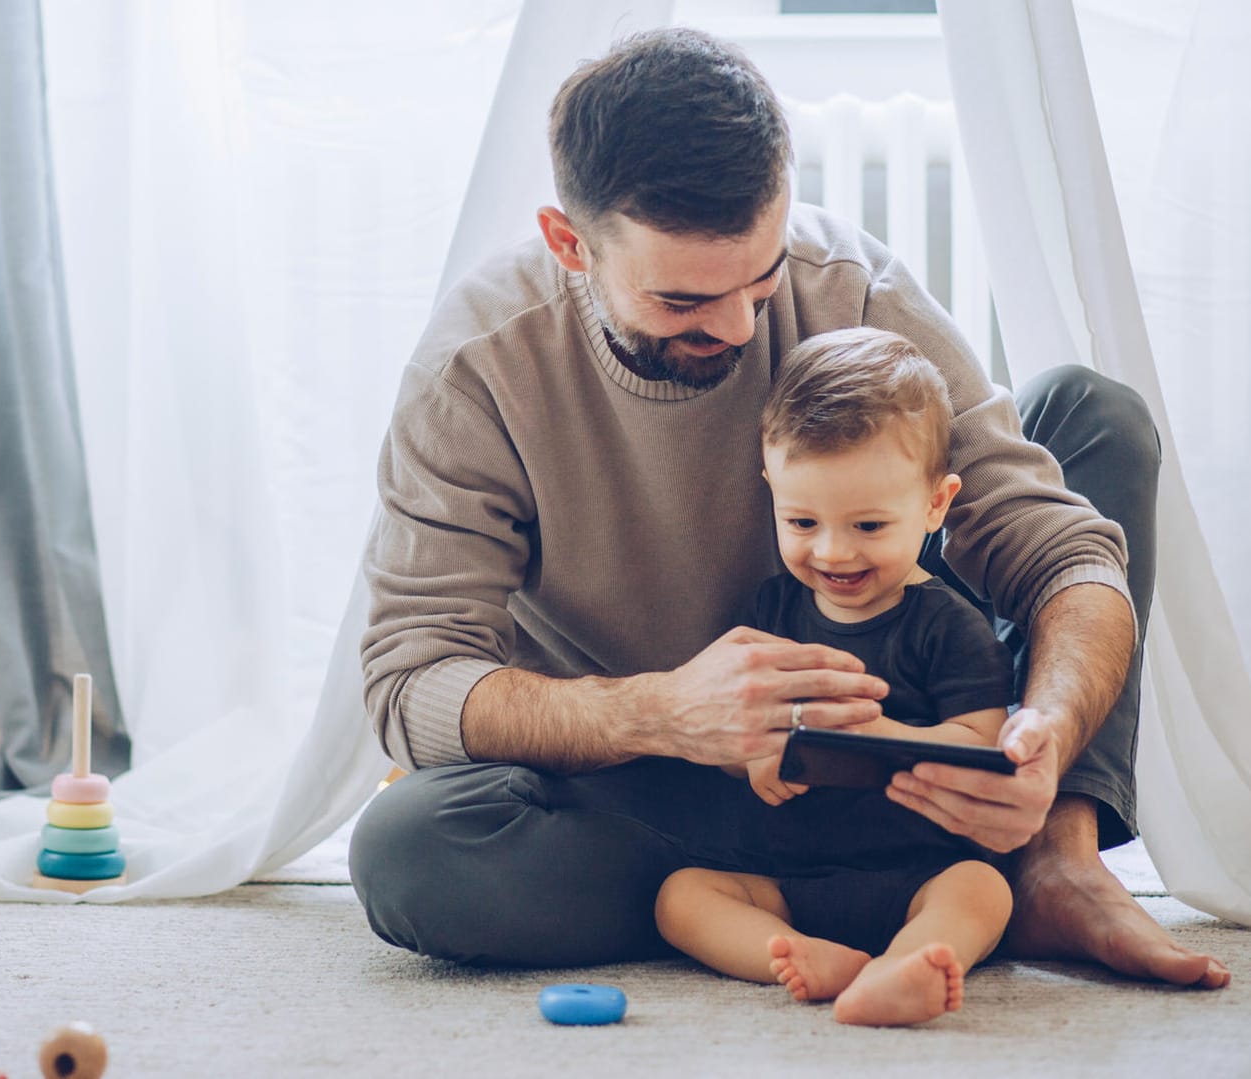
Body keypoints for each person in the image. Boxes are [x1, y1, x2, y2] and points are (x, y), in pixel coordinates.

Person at [350, 28, 1229, 988]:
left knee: (1094, 415)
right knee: (409, 851)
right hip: (668, 793)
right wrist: (663, 711)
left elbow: (1061, 555)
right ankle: (818, 897)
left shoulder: (852, 289)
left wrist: (1045, 735)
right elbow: (412, 678)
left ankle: (1052, 857)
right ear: (571, 244)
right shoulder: (477, 369)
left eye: (761, 280)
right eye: (684, 300)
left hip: (908, 769)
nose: (738, 326)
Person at [655, 327, 1017, 1026]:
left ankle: (909, 962)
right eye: (802, 520)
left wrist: (884, 737)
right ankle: (806, 956)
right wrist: (752, 757)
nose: (832, 550)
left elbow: (985, 748)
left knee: (984, 892)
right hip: (791, 878)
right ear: (771, 490)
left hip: (921, 870)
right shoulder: (772, 610)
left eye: (870, 525)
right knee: (681, 895)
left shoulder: (947, 624)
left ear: (936, 505)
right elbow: (735, 724)